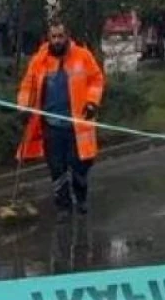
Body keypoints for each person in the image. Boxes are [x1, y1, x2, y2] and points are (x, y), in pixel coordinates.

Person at [17, 19, 106, 218]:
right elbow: (27, 86)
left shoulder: (83, 56)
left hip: (77, 125)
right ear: (48, 38)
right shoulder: (39, 61)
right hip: (51, 125)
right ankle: (63, 207)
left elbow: (96, 80)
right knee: (56, 167)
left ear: (67, 36)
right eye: (53, 37)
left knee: (79, 166)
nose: (57, 41)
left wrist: (92, 103)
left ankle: (81, 197)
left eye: (60, 36)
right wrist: (23, 108)